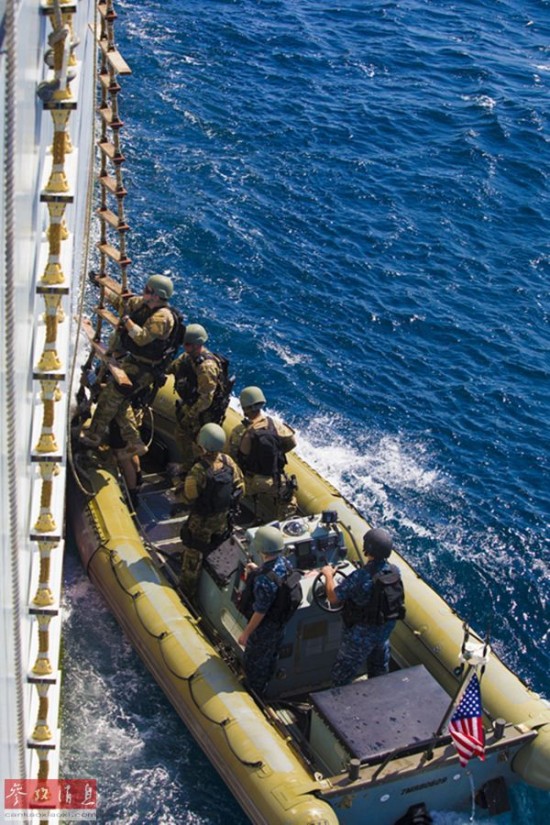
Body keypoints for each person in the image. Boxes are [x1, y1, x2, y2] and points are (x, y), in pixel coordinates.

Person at [80, 274, 179, 456]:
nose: (143, 291)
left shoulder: (163, 318)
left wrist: (126, 320)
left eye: (147, 290)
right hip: (133, 361)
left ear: (157, 295)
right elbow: (123, 303)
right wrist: (101, 287)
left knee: (110, 397)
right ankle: (135, 441)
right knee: (121, 404)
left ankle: (94, 436)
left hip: (144, 369)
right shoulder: (144, 304)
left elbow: (141, 338)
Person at [321, 528, 404, 687]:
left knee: (342, 675)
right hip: (383, 632)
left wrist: (328, 575)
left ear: (368, 548)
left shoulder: (361, 577)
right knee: (379, 669)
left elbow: (333, 597)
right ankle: (379, 693)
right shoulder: (394, 571)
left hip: (361, 637)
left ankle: (337, 700)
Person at [179, 423, 244, 599]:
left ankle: (186, 595)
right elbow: (240, 487)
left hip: (201, 522)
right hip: (222, 520)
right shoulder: (228, 462)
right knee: (217, 550)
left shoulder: (199, 470)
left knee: (193, 556)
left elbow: (190, 496)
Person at [238, 525, 294, 697]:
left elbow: (260, 611)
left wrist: (246, 634)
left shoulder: (263, 580)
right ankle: (265, 685)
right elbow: (276, 579)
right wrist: (257, 570)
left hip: (264, 628)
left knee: (255, 663)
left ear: (261, 549)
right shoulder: (286, 564)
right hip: (279, 624)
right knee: (271, 657)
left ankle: (254, 693)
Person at [229, 386, 298, 522]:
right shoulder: (277, 426)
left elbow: (234, 456)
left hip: (249, 481)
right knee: (288, 499)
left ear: (245, 408)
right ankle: (284, 524)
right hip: (274, 481)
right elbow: (291, 443)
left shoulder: (239, 432)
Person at [166, 324, 227, 476]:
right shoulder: (188, 357)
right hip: (193, 404)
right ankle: (190, 467)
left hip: (204, 412)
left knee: (199, 444)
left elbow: (206, 399)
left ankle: (200, 474)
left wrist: (190, 416)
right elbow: (173, 367)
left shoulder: (206, 367)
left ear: (197, 345)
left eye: (187, 344)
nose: (184, 347)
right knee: (182, 435)